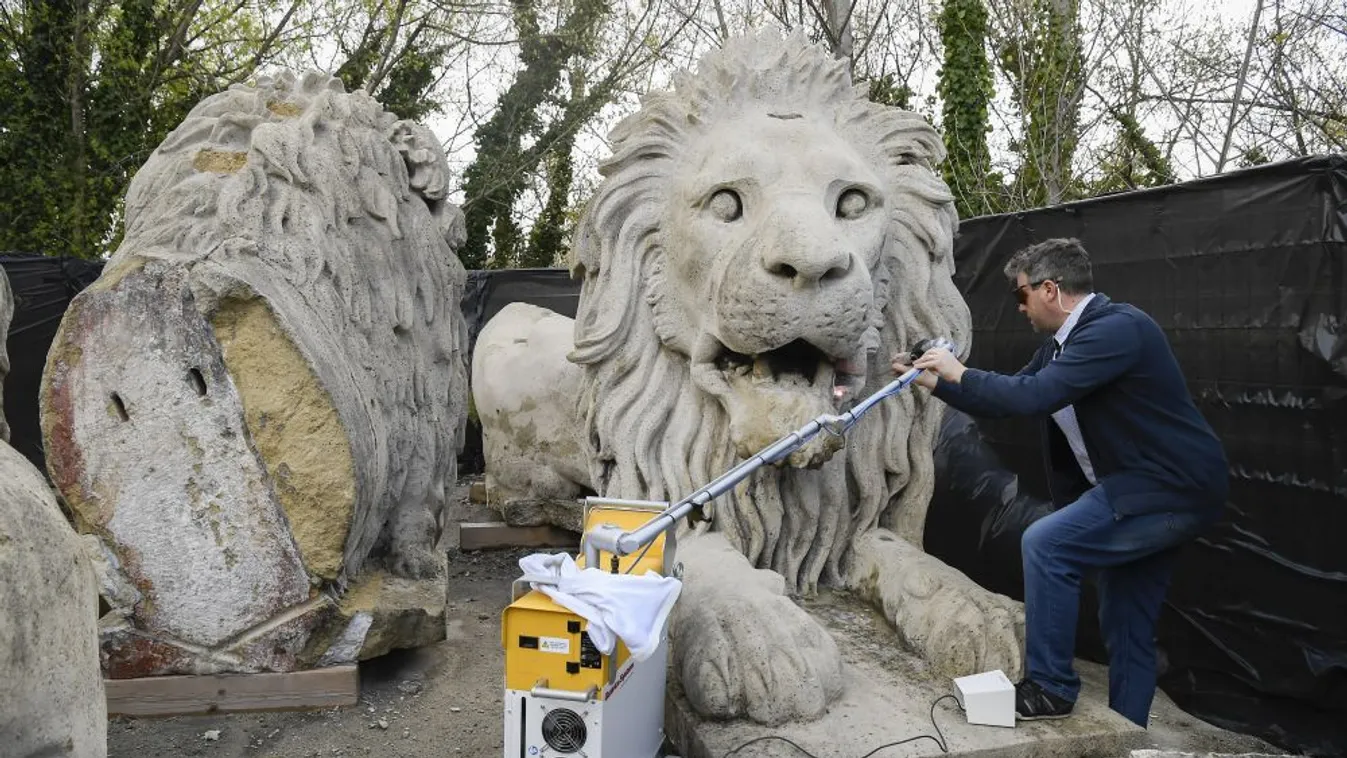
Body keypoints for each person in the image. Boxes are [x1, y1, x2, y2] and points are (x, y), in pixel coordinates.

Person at [892, 237, 1227, 728]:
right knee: (1126, 619)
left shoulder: (1118, 329)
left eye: (1021, 295)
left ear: (1050, 289)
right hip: (1146, 490)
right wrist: (936, 382)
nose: (1020, 307)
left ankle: (1050, 688)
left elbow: (1035, 396)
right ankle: (1128, 731)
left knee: (1048, 544)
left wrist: (958, 370)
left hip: (1168, 487)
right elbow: (1010, 397)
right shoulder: (1060, 347)